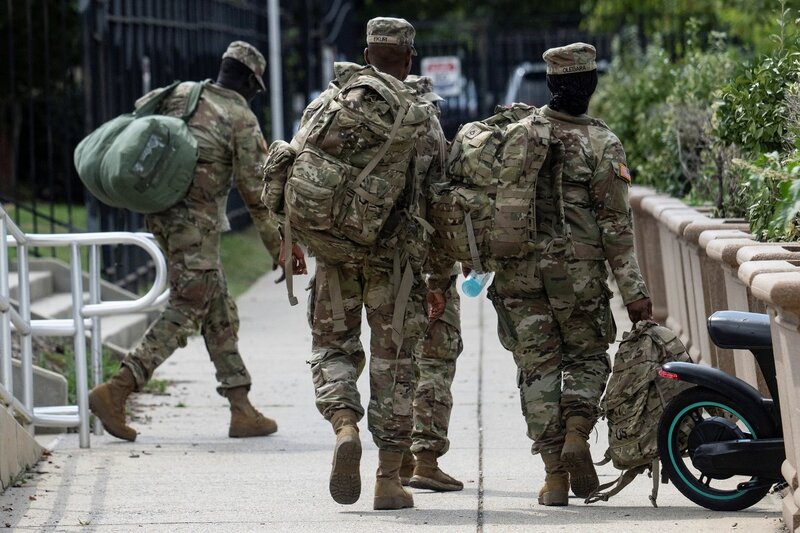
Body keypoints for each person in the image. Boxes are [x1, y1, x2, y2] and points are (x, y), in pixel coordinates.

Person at [88, 40, 306, 442]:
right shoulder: (239, 117)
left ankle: (241, 408)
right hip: (195, 225)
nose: (253, 96)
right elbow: (257, 196)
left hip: (162, 215)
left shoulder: (180, 95)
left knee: (216, 304)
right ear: (247, 81)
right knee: (189, 305)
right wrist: (280, 246)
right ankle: (117, 390)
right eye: (255, 88)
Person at [487, 42, 652, 506]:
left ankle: (555, 475)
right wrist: (634, 292)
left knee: (536, 369)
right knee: (587, 356)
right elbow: (616, 230)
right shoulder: (602, 143)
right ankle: (578, 431)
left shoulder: (516, 134)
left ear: (551, 85)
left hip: (519, 275)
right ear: (591, 85)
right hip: (577, 275)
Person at [293, 18, 448, 511]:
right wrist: (439, 275)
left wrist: (292, 241)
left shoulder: (326, 105)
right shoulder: (421, 118)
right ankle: (387, 479)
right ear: (408, 59)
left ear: (365, 54)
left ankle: (343, 425)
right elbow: (438, 200)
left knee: (332, 348)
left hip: (335, 259)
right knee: (396, 366)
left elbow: (292, 176)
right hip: (395, 266)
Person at [398, 75, 464, 493]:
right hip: (424, 264)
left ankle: (396, 453)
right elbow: (439, 207)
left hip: (381, 264)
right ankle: (425, 457)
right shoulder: (430, 131)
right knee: (436, 358)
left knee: (395, 360)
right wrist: (439, 279)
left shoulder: (372, 126)